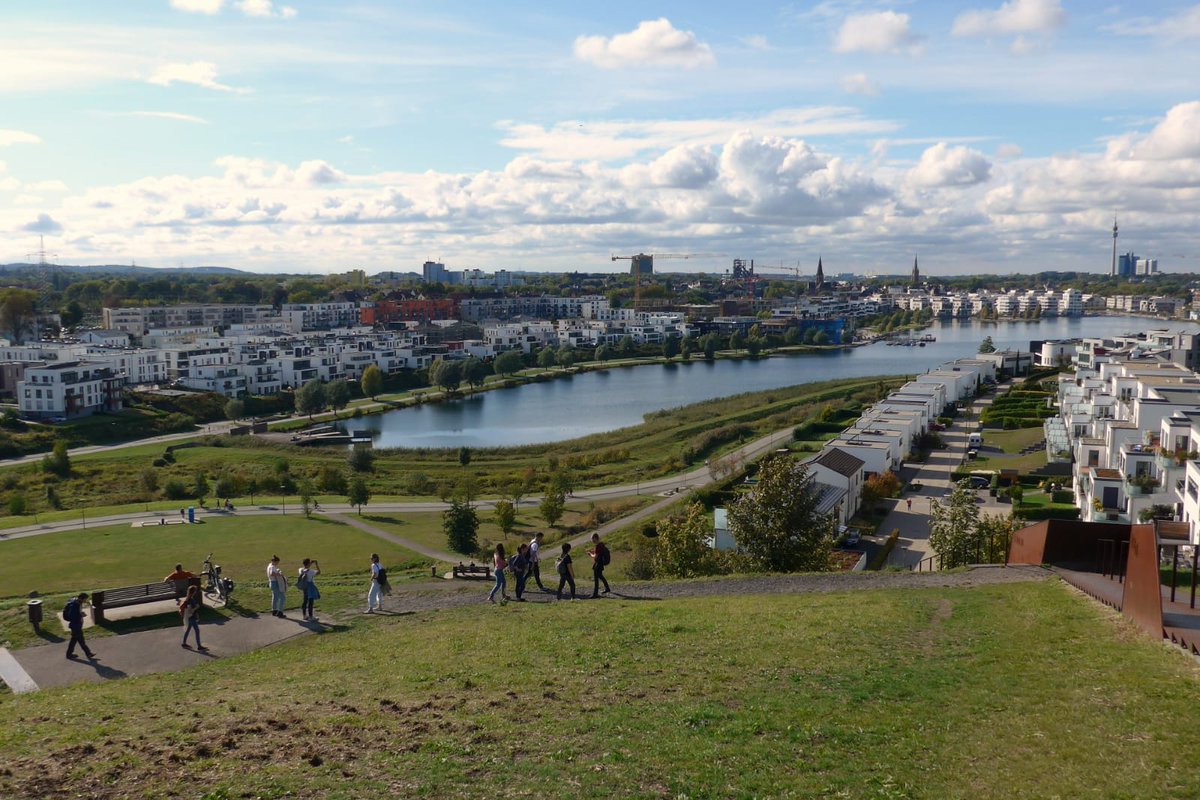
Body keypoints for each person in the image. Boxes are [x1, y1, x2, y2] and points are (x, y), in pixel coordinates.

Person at [63, 593, 95, 660]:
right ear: (81, 598)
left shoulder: (77, 603)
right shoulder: (75, 605)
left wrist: (80, 614)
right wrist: (81, 615)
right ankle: (88, 653)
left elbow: (75, 614)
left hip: (75, 626)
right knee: (81, 641)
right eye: (85, 599)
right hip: (76, 626)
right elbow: (73, 616)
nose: (85, 601)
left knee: (73, 640)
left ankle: (69, 654)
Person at [179, 585, 206, 650]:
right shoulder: (190, 600)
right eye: (195, 591)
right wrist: (196, 607)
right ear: (193, 592)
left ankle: (184, 643)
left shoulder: (187, 598)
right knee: (197, 630)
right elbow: (190, 610)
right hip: (192, 617)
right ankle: (199, 646)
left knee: (188, 630)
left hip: (189, 617)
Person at [588, 533, 611, 597]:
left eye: (592, 539)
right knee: (600, 576)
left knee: (596, 579)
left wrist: (590, 554)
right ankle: (607, 588)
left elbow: (595, 557)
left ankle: (595, 594)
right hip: (600, 563)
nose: (592, 540)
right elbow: (599, 554)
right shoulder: (601, 545)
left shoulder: (598, 546)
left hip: (598, 564)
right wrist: (593, 553)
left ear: (595, 538)